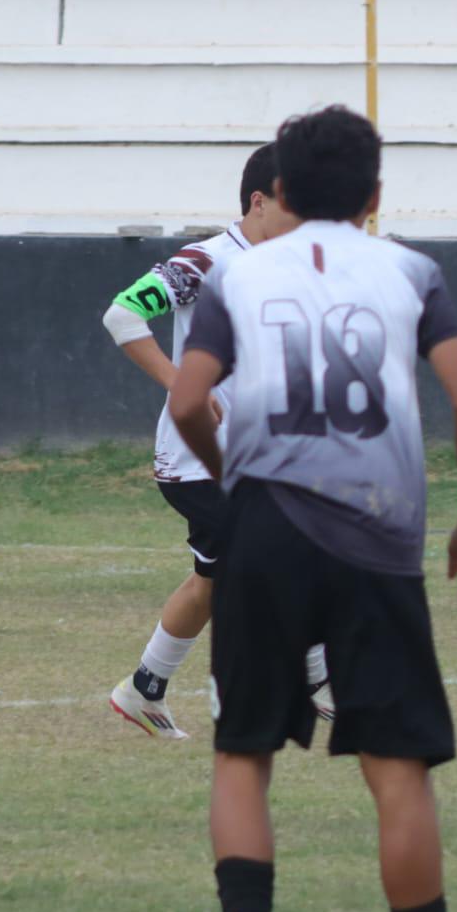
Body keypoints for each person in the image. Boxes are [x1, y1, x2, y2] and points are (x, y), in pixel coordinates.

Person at [168, 105, 457, 912]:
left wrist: (234, 466)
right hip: (378, 535)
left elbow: (191, 399)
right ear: (374, 195)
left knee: (244, 751)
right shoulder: (409, 271)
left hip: (267, 528)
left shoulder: (243, 274)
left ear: (275, 191)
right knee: (398, 770)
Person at [101, 145, 333, 740]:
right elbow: (123, 316)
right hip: (198, 461)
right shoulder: (205, 262)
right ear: (258, 202)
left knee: (213, 577)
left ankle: (144, 688)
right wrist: (183, 384)